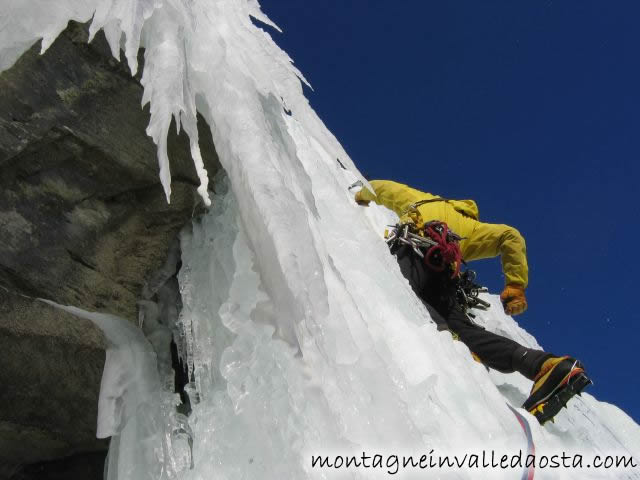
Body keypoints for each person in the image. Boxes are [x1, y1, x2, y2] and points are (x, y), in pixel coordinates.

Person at [355, 179, 591, 424]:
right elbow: (512, 237)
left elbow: (379, 187)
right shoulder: (472, 228)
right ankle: (545, 365)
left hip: (412, 252)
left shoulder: (419, 199)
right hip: (444, 277)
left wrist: (361, 196)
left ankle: (451, 351)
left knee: (406, 299)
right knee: (464, 331)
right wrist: (515, 285)